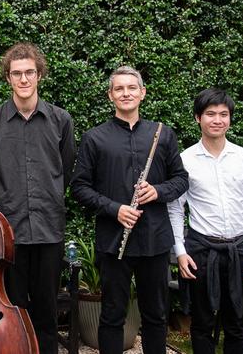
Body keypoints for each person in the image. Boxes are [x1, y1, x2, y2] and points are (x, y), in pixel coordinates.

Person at [70, 66, 189, 353]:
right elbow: (79, 187)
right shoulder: (94, 138)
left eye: (132, 88)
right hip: (114, 241)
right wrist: (115, 209)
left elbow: (181, 179)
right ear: (111, 95)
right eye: (119, 89)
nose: (126, 93)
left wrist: (157, 191)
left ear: (142, 93)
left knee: (155, 315)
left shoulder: (163, 133)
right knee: (112, 315)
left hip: (154, 239)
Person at [0, 42, 76, 354]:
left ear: (39, 75)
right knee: (12, 307)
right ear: (8, 77)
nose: (24, 79)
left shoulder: (61, 120)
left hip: (48, 229)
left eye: (29, 72)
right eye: (17, 73)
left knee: (47, 310)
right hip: (8, 232)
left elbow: (66, 170)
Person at [167, 88, 243, 354]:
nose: (217, 120)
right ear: (197, 118)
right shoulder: (185, 160)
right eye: (210, 114)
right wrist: (180, 253)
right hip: (201, 251)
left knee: (237, 322)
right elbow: (175, 209)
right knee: (201, 323)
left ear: (230, 118)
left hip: (239, 250)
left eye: (223, 114)